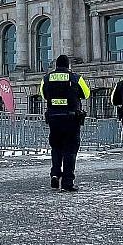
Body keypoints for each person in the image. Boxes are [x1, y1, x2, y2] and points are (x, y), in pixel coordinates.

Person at [40, 54, 91, 192]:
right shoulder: (76, 78)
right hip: (71, 119)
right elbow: (86, 94)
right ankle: (67, 182)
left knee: (56, 147)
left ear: (56, 65)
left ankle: (55, 174)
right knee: (70, 150)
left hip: (54, 118)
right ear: (68, 65)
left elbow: (44, 95)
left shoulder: (46, 78)